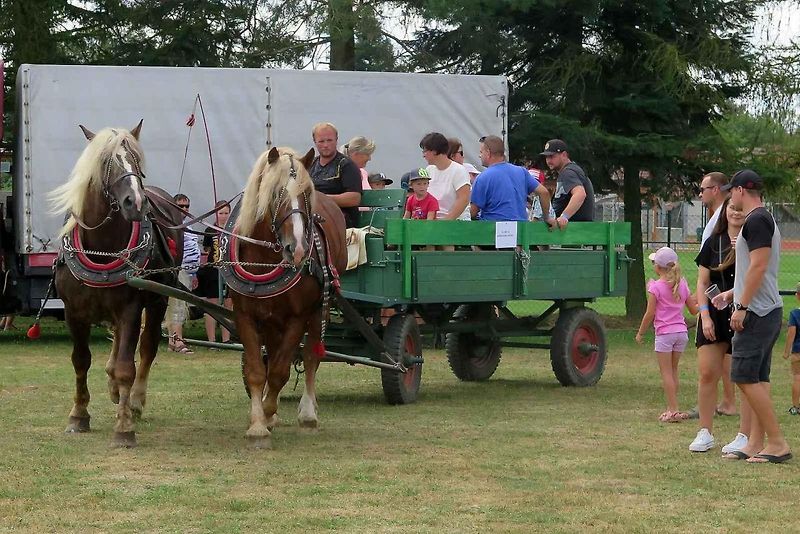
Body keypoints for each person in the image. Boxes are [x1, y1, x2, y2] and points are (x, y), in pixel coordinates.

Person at [712, 169, 791, 463]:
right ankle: (756, 443)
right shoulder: (762, 219)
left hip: (757, 312)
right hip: (764, 308)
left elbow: (758, 267)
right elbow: (758, 270)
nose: (731, 195)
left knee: (743, 375)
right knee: (758, 376)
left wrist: (742, 307)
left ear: (742, 191)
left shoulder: (756, 220)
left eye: (732, 190)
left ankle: (778, 442)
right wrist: (732, 294)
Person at [689, 199, 749, 452]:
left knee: (745, 377)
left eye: (741, 208)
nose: (736, 212)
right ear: (725, 212)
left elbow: (759, 276)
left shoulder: (754, 242)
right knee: (707, 373)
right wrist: (704, 316)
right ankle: (705, 432)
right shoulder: (713, 242)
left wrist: (743, 250)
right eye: (732, 208)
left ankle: (745, 435)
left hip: (743, 312)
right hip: (714, 313)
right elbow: (702, 283)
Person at [686, 171, 737, 421]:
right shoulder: (714, 224)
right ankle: (725, 402)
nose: (700, 194)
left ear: (715, 190)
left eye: (703, 189)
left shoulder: (723, 218)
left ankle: (728, 401)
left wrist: (707, 301)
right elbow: (704, 273)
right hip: (713, 299)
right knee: (717, 354)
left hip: (729, 302)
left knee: (725, 353)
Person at [635, 246, 699, 423]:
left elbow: (650, 313)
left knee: (666, 373)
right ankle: (673, 406)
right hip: (681, 333)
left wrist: (640, 333)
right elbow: (694, 311)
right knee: (673, 370)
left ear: (658, 267)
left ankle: (673, 410)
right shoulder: (682, 284)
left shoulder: (655, 287)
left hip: (665, 334)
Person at [470, 135, 552, 222]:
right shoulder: (522, 172)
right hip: (520, 230)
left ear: (488, 153)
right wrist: (547, 218)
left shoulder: (483, 177)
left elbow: (473, 212)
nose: (479, 156)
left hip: (493, 231)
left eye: (481, 152)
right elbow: (544, 193)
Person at [165, 194, 200, 354]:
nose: (184, 209)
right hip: (178, 270)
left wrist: (194, 274)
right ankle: (177, 341)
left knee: (181, 306)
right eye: (181, 206)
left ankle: (173, 340)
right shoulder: (171, 225)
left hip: (189, 273)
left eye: (187, 206)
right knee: (177, 306)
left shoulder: (189, 225)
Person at [309, 122, 362, 228]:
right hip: (314, 216)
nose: (325, 145)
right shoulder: (311, 165)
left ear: (336, 140)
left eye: (329, 140)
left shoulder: (346, 165)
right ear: (315, 142)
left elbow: (354, 198)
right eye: (321, 141)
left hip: (341, 219)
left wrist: (321, 199)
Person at [195, 200, 232, 344]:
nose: (223, 216)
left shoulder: (233, 229)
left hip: (229, 271)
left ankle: (226, 339)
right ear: (216, 214)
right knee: (213, 306)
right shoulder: (210, 230)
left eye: (226, 213)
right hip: (212, 271)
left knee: (229, 306)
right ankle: (211, 341)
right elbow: (207, 249)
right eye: (220, 213)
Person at [540, 139, 595, 228]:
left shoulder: (568, 172)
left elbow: (580, 194)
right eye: (546, 157)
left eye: (552, 156)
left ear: (564, 155)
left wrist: (564, 217)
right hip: (576, 230)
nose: (548, 160)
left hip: (574, 230)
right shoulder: (571, 170)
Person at [419, 132, 471, 222]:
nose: (423, 155)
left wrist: (445, 222)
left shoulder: (459, 171)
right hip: (434, 223)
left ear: (434, 151)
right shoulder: (429, 170)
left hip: (456, 223)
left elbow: (463, 199)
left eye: (425, 151)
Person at [782, 283, 800, 415]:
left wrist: (786, 351)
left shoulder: (795, 314)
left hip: (797, 352)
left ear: (798, 296)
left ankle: (795, 406)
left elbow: (791, 334)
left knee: (797, 378)